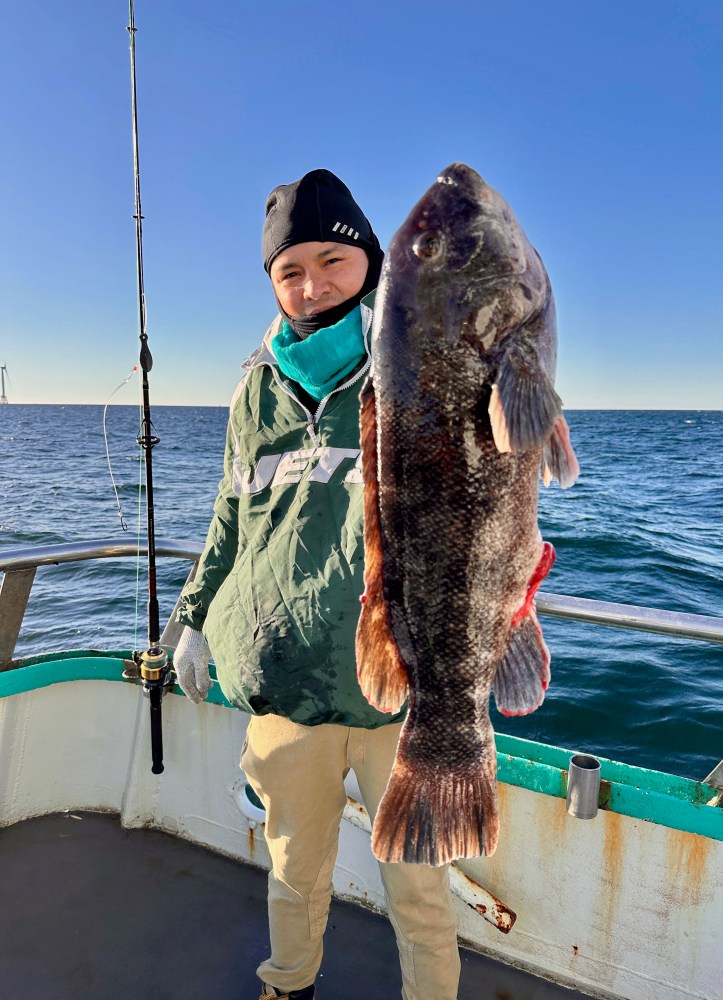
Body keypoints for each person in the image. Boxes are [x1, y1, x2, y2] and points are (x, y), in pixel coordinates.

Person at [173, 169, 462, 1000]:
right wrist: (191, 617)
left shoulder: (418, 365)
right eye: (289, 269)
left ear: (371, 260)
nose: (312, 285)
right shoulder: (253, 388)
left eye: (332, 260)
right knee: (295, 874)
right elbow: (231, 518)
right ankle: (287, 986)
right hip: (284, 685)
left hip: (401, 688)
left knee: (419, 886)